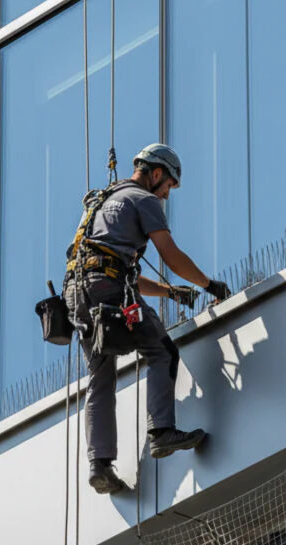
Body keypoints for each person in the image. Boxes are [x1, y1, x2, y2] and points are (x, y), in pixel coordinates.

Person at [64, 143, 232, 494]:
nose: (167, 195)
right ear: (156, 174)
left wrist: (170, 292)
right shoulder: (144, 200)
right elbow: (170, 255)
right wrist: (209, 284)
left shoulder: (101, 202)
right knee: (162, 351)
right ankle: (161, 432)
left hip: (77, 296)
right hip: (104, 288)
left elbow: (115, 270)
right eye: (168, 185)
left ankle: (100, 464)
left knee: (100, 375)